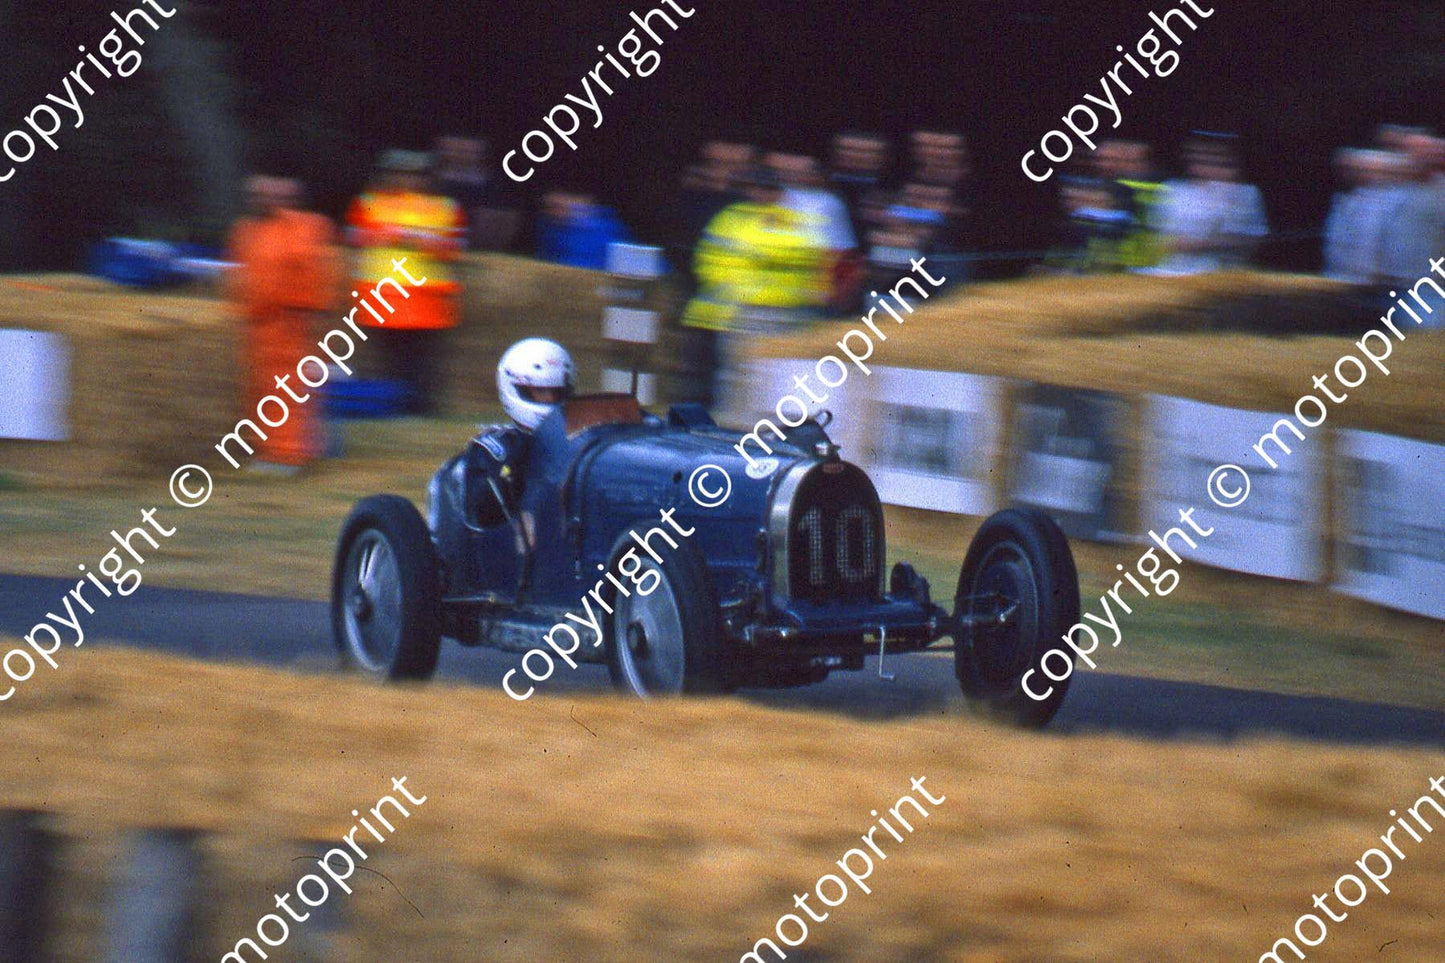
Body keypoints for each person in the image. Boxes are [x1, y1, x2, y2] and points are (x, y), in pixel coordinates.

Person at [680, 167, 827, 410]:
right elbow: (709, 262)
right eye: (761, 188)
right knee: (738, 375)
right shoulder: (731, 219)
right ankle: (732, 425)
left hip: (787, 315)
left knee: (779, 377)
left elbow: (813, 263)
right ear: (751, 189)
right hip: (742, 313)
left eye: (771, 189)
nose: (765, 194)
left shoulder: (798, 222)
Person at [224, 175, 340, 473]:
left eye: (268, 195)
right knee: (264, 390)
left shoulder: (302, 228)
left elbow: (314, 272)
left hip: (289, 322)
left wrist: (309, 310)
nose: (261, 200)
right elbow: (240, 273)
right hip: (258, 323)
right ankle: (276, 449)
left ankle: (287, 455)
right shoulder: (247, 230)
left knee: (285, 388)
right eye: (255, 194)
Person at [346, 150, 466, 415]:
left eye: (414, 175)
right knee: (389, 362)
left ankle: (421, 414)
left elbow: (455, 248)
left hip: (428, 303)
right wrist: (398, 235)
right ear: (388, 175)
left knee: (423, 366)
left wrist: (419, 240)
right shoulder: (369, 202)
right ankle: (393, 412)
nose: (407, 180)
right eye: (400, 173)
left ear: (426, 178)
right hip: (385, 299)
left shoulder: (444, 207)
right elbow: (355, 237)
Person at [464, 338, 577, 526]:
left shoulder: (578, 438)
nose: (549, 401)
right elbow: (484, 513)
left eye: (557, 394)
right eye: (540, 393)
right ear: (515, 389)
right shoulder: (495, 449)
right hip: (519, 543)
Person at [1151, 135, 1269, 275]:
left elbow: (1252, 239)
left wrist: (1200, 244)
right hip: (1172, 274)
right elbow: (1161, 239)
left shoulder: (1247, 193)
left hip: (1227, 275)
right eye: (1201, 159)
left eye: (1218, 160)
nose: (1209, 166)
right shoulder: (1172, 189)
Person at [434, 135, 522, 252]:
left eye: (468, 142)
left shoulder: (498, 188)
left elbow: (502, 230)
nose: (460, 147)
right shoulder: (426, 182)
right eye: (455, 139)